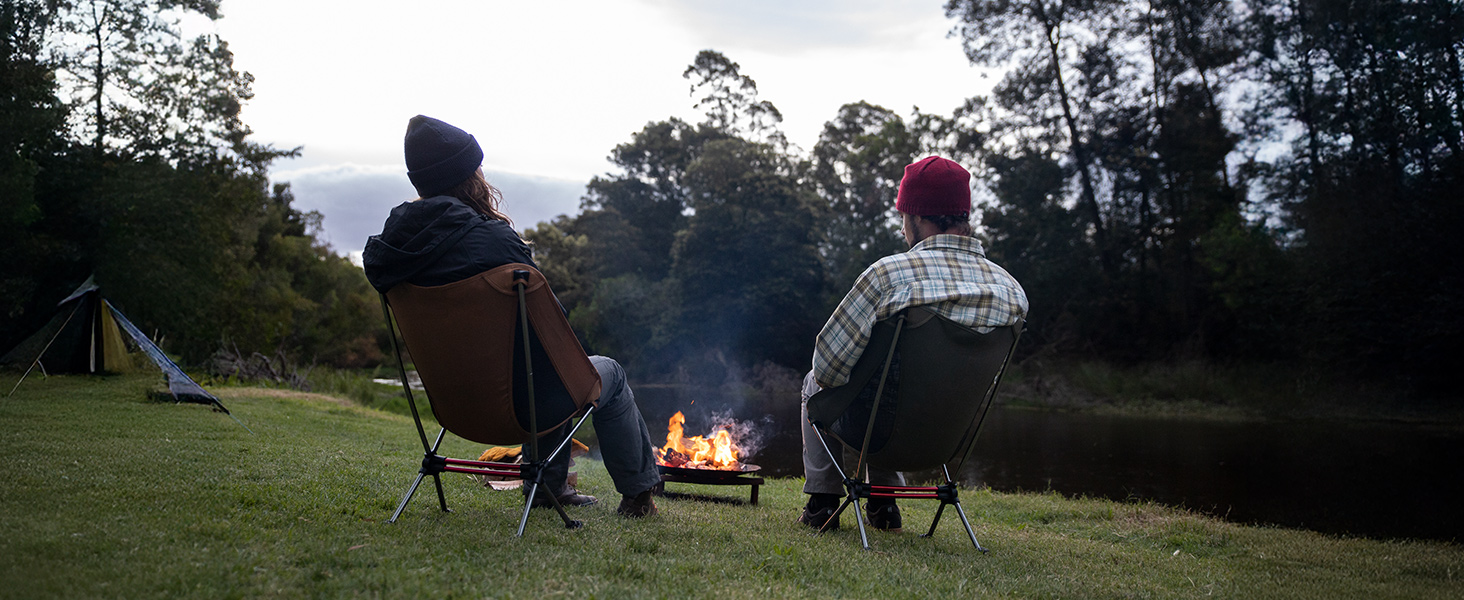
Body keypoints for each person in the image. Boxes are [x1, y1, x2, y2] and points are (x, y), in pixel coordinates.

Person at [363, 115, 661, 518]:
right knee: (599, 370)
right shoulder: (493, 241)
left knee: (539, 368)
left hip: (452, 407)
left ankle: (547, 490)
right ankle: (639, 495)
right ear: (469, 177)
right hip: (519, 407)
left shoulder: (390, 255)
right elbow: (550, 326)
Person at [798, 156, 1028, 532]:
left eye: (903, 217)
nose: (903, 228)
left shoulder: (889, 276)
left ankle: (822, 502)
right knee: (891, 380)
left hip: (881, 430)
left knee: (816, 382)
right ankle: (884, 504)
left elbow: (827, 366)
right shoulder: (1011, 292)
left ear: (918, 218)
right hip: (947, 442)